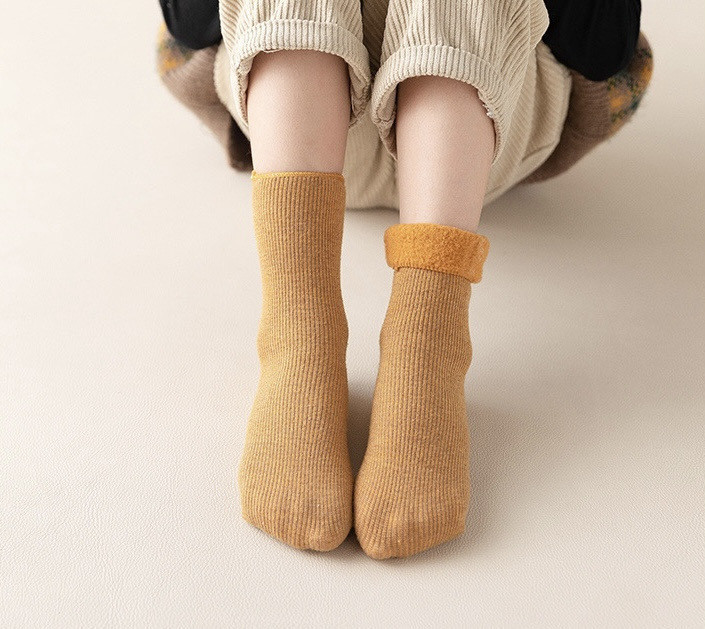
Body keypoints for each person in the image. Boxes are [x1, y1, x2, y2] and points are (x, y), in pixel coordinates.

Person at [157, 0, 652, 559]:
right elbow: (191, 21)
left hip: (486, 126)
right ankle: (300, 337)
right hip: (296, 119)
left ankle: (426, 349)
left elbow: (603, 45)